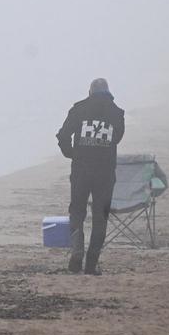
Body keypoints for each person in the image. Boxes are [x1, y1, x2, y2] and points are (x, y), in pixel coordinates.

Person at [55, 77, 124, 275]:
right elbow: (117, 137)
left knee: (77, 211)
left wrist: (72, 153)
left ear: (90, 92)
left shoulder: (78, 109)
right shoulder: (117, 113)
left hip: (81, 169)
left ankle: (77, 252)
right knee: (100, 217)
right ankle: (92, 264)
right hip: (105, 172)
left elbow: (62, 136)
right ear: (108, 92)